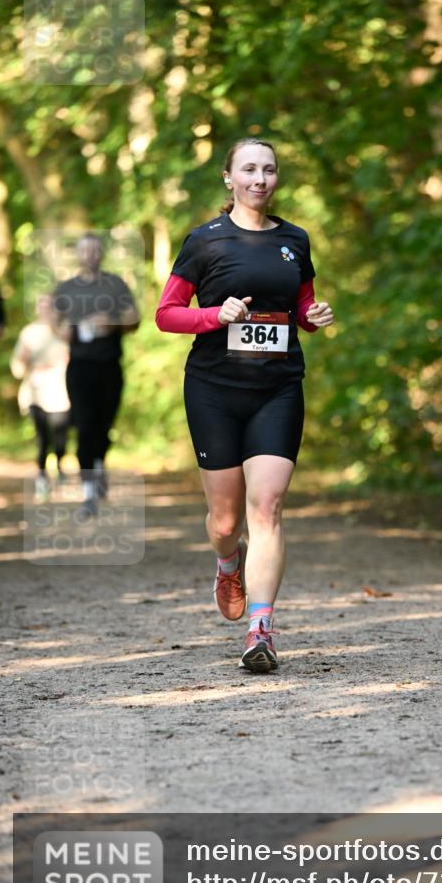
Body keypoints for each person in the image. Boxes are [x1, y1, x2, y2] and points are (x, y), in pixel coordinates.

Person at [156, 137, 334, 672]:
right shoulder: (205, 241)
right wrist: (216, 316)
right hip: (213, 388)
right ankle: (226, 561)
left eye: (270, 170)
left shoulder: (295, 240)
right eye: (249, 169)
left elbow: (297, 306)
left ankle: (261, 631)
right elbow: (167, 314)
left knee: (268, 507)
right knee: (225, 518)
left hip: (278, 386)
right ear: (228, 178)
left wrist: (313, 316)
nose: (260, 179)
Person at [52, 232, 139, 518]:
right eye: (84, 250)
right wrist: (64, 332)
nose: (89, 254)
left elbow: (134, 319)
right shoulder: (66, 288)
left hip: (109, 366)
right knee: (85, 425)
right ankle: (88, 492)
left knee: (103, 426)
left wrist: (113, 323)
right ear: (77, 254)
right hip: (79, 367)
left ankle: (99, 464)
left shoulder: (115, 284)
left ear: (101, 253)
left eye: (94, 249)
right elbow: (52, 320)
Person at [10, 293, 71, 500]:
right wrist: (24, 361)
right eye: (41, 305)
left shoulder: (66, 330)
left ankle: (60, 466)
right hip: (35, 393)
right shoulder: (29, 333)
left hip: (61, 392)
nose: (45, 309)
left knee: (60, 435)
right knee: (42, 438)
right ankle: (42, 478)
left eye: (49, 305)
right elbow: (17, 367)